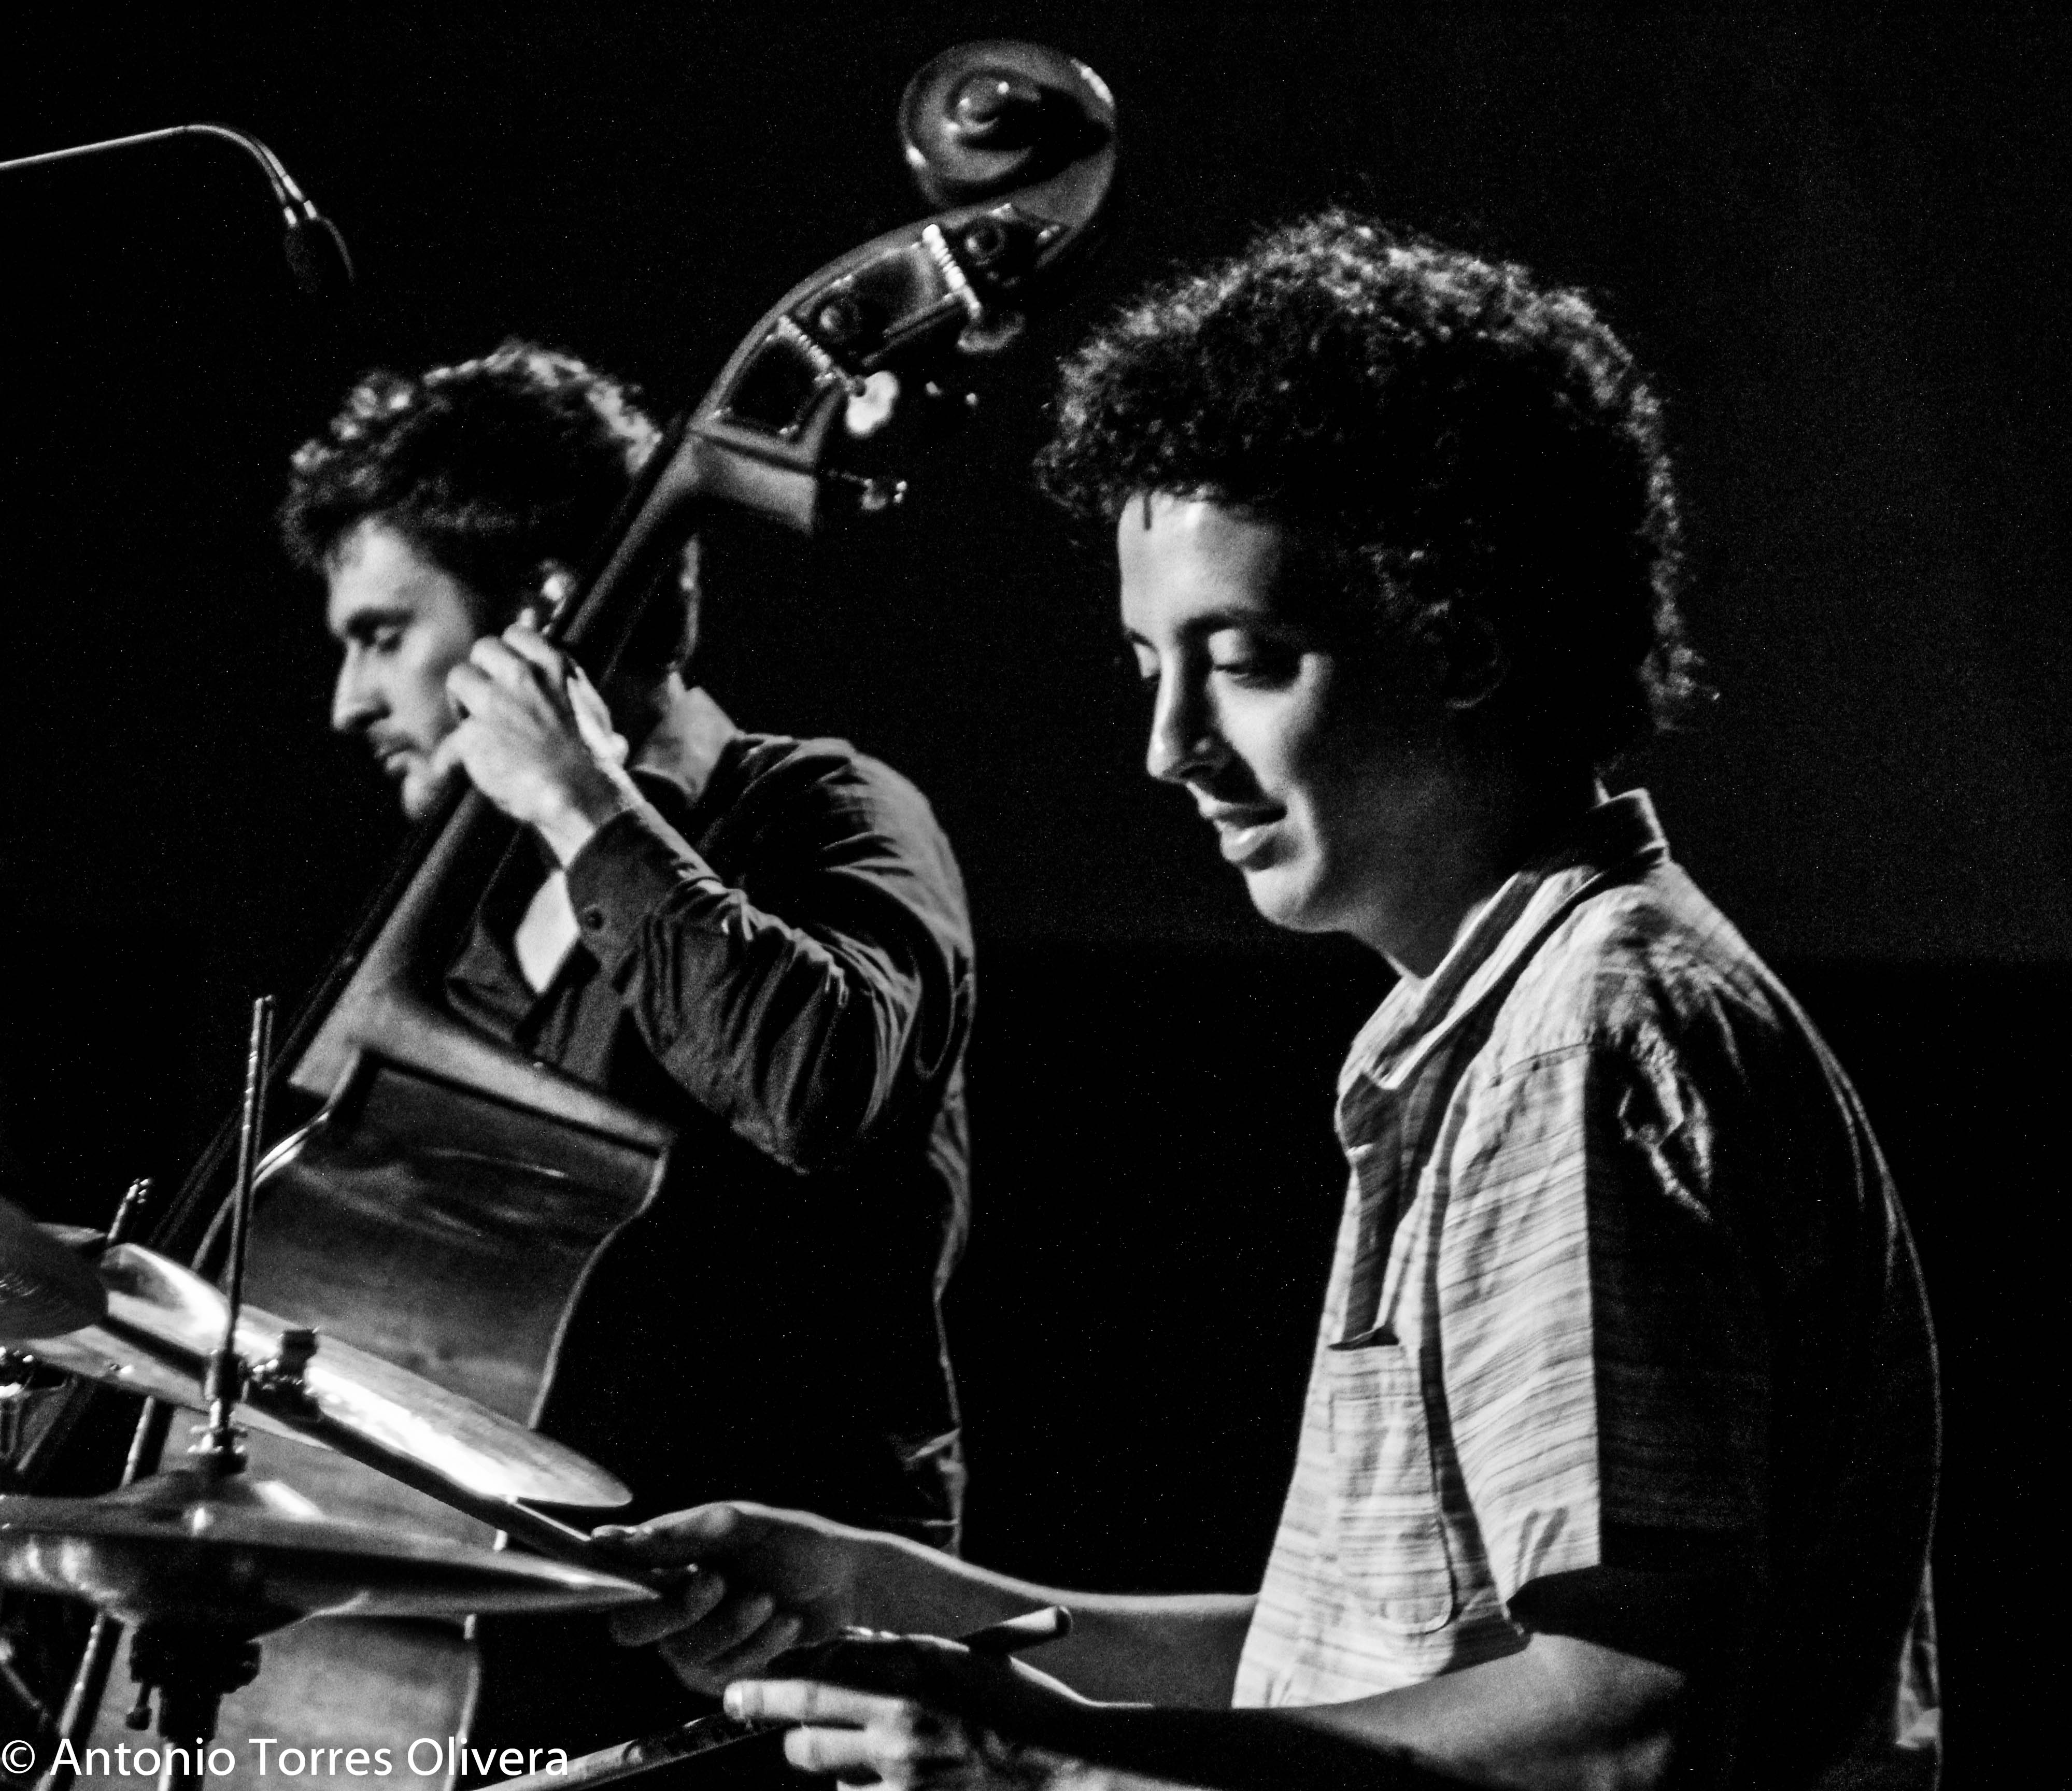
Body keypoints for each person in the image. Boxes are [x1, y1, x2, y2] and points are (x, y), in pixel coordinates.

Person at [598, 215, 1941, 1789]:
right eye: (1147, 667)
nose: (1169, 746)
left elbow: (1616, 1735)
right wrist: (888, 1593)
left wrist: (1052, 1772)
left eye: (1238, 659)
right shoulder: (1511, 1017)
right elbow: (1371, 1670)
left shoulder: (1583, 1045)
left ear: (1460, 638)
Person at [279, 341, 974, 1745]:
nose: (346, 702)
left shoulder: (822, 812)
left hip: (772, 1679)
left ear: (538, 614)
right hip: (498, 1662)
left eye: (382, 635)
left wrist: (581, 802)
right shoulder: (467, 943)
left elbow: (819, 1085)